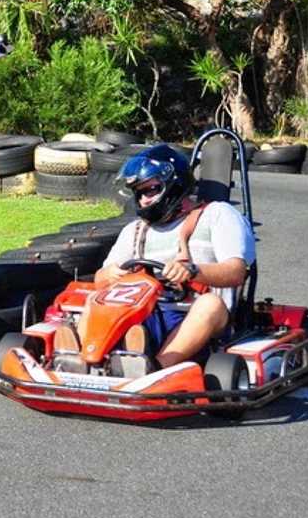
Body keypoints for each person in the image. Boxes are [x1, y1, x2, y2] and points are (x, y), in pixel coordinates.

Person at [60, 144, 256, 370]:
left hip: (196, 313)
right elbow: (100, 279)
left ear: (174, 184)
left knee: (209, 304)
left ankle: (156, 368)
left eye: (150, 190)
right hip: (145, 310)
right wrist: (110, 275)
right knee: (97, 299)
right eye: (139, 192)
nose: (143, 200)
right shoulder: (135, 230)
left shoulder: (218, 214)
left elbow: (236, 271)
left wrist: (194, 271)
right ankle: (84, 359)